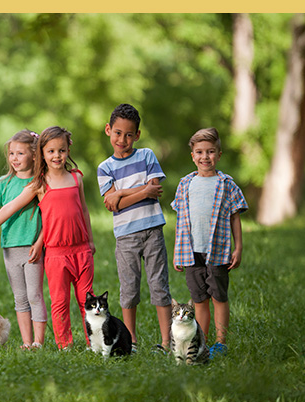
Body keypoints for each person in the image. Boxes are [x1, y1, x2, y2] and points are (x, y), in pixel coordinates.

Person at [0, 126, 94, 350]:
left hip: (71, 248)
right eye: (51, 152)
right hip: (40, 250)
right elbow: (8, 207)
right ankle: (57, 344)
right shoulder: (36, 184)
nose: (57, 156)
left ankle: (90, 342)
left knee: (81, 298)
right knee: (48, 300)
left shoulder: (73, 178)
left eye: (61, 151)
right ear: (43, 154)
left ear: (68, 150)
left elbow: (82, 211)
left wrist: (89, 241)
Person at [96, 103, 172, 354]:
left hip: (152, 231)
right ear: (108, 130)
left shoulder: (147, 156)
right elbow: (112, 205)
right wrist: (141, 191)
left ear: (137, 135)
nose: (123, 139)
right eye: (118, 133)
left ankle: (166, 341)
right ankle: (132, 342)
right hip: (125, 236)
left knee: (159, 285)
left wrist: (121, 194)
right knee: (129, 290)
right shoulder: (105, 168)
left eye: (129, 134)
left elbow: (153, 191)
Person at [171, 127, 247, 359]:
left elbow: (235, 216)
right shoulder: (185, 184)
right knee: (198, 299)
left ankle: (221, 343)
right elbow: (181, 220)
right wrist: (177, 251)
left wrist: (238, 247)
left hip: (219, 250)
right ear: (192, 156)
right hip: (191, 251)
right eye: (200, 152)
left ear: (219, 155)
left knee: (218, 297)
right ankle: (201, 342)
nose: (205, 157)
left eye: (211, 151)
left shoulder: (226, 184)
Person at [0, 130, 46, 349]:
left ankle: (38, 342)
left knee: (35, 295)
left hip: (32, 247)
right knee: (20, 297)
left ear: (34, 155)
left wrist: (40, 242)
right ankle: (26, 342)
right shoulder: (3, 183)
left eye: (20, 153)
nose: (14, 158)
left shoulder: (40, 182)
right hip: (9, 247)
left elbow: (48, 217)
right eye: (11, 153)